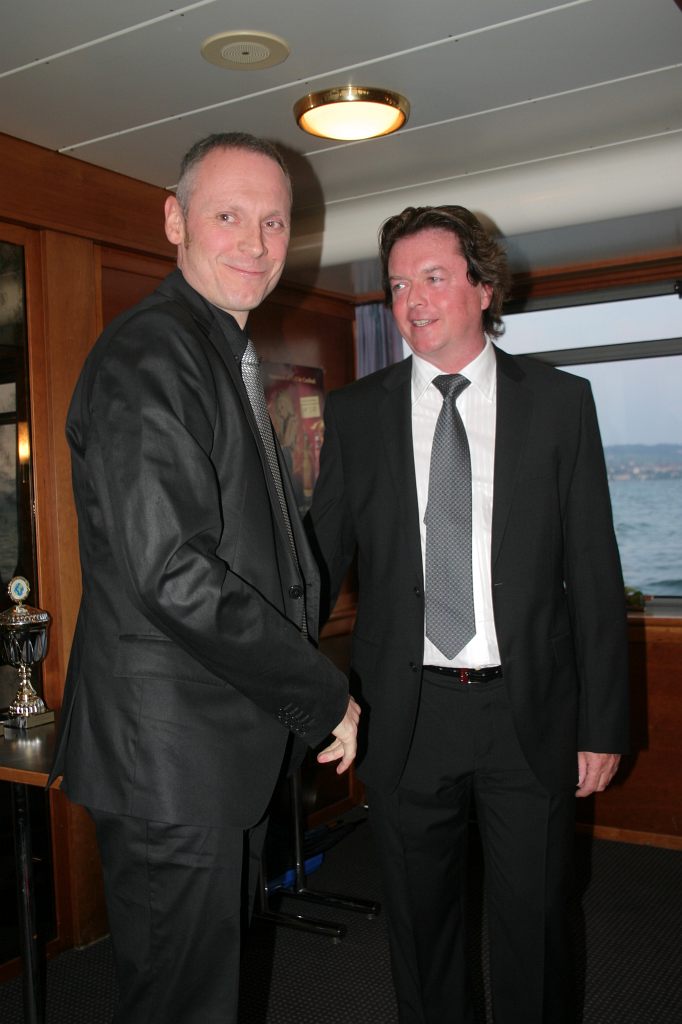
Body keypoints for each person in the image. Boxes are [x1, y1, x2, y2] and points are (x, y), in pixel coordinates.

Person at [49, 132, 359, 1024]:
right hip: (169, 762)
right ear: (175, 221)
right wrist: (321, 693)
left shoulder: (213, 349)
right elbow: (175, 573)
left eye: (274, 222)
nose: (255, 244)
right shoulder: (154, 351)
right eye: (229, 215)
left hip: (207, 757)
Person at [307, 204, 629, 1024]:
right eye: (396, 285)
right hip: (404, 713)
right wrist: (293, 685)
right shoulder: (356, 413)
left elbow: (594, 572)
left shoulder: (559, 403)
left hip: (530, 714)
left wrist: (603, 723)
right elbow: (316, 569)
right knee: (422, 933)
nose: (411, 299)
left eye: (433, 277)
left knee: (537, 923)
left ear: (484, 288)